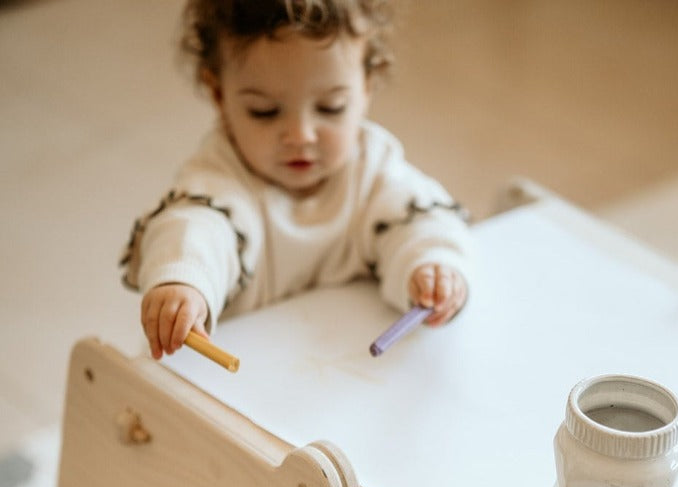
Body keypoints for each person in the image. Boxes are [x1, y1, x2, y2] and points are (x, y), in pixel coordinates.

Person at [121, 0, 473, 362]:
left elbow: (420, 218)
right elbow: (196, 227)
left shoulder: (372, 167)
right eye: (265, 112)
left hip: (335, 378)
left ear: (367, 85)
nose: (301, 135)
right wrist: (184, 280)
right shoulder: (220, 179)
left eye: (330, 107)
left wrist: (431, 266)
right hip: (227, 385)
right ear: (219, 94)